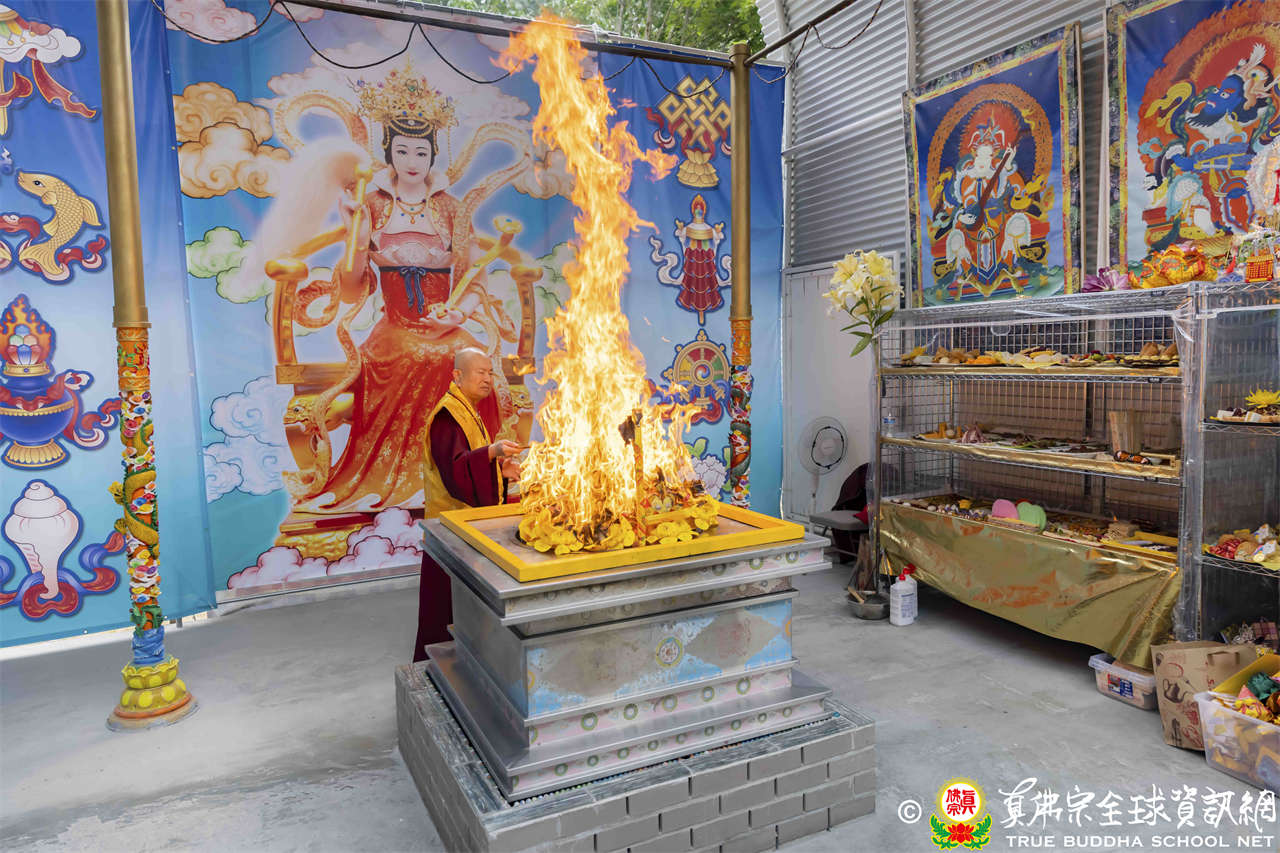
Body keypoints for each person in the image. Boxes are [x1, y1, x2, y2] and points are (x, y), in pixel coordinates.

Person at [414, 348, 521, 661]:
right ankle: (443, 663)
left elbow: (470, 464)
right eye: (480, 372)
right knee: (446, 606)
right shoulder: (448, 415)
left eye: (490, 373)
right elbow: (456, 472)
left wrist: (500, 470)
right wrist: (492, 452)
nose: (488, 379)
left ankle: (473, 659)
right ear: (457, 376)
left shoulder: (467, 410)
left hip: (465, 524)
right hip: (450, 526)